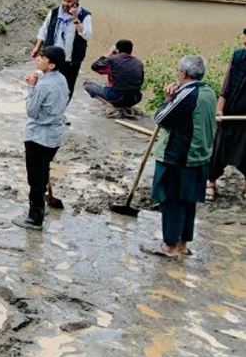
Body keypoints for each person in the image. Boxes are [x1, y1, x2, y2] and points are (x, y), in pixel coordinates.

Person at [147, 55, 217, 257]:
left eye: (178, 70)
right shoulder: (209, 92)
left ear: (184, 74)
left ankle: (169, 245)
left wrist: (168, 99)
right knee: (188, 200)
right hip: (200, 155)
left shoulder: (187, 94)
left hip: (178, 156)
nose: (176, 73)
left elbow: (161, 118)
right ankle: (183, 244)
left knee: (171, 199)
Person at [15, 46, 70, 230]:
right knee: (43, 170)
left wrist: (31, 87)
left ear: (51, 65)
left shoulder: (43, 85)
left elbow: (31, 111)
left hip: (38, 137)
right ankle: (41, 207)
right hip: (54, 136)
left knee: (35, 179)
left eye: (42, 57)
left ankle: (35, 218)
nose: (37, 59)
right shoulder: (61, 79)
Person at [32, 0, 92, 99]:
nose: (66, 4)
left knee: (66, 88)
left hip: (70, 60)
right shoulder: (54, 12)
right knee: (45, 83)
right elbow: (44, 29)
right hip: (51, 57)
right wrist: (37, 47)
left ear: (76, 0)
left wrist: (75, 19)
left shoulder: (84, 15)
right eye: (64, 0)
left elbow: (86, 35)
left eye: (69, 1)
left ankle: (61, 107)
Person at [209, 28, 246, 201]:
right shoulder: (238, 56)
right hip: (230, 112)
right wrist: (219, 109)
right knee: (219, 149)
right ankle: (211, 182)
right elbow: (227, 84)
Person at [86, 40, 145, 116]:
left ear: (117, 50)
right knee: (122, 88)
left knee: (87, 85)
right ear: (131, 50)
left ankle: (109, 105)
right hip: (135, 98)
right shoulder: (139, 63)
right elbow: (141, 82)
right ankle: (127, 107)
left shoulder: (113, 59)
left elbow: (95, 67)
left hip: (118, 98)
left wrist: (109, 53)